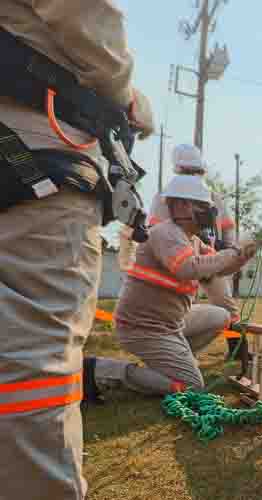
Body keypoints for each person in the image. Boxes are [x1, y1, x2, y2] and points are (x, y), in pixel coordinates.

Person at [0, 2, 153, 498]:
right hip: (28, 155)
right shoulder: (173, 234)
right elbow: (86, 19)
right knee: (33, 373)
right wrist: (126, 94)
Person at [86, 175, 260, 397]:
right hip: (143, 328)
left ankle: (174, 361)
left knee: (222, 316)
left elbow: (218, 268)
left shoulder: (193, 240)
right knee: (191, 386)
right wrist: (234, 251)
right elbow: (188, 268)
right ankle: (101, 370)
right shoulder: (165, 233)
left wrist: (242, 256)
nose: (209, 212)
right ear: (180, 205)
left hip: (170, 323)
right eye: (202, 205)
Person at [146, 143, 243, 360]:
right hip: (180, 262)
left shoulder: (213, 198)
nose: (192, 175)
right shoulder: (164, 198)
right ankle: (177, 353)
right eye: (188, 171)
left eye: (195, 171)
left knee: (226, 305)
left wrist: (227, 252)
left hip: (209, 260)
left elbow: (227, 228)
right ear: (179, 171)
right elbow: (156, 232)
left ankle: (238, 351)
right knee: (183, 307)